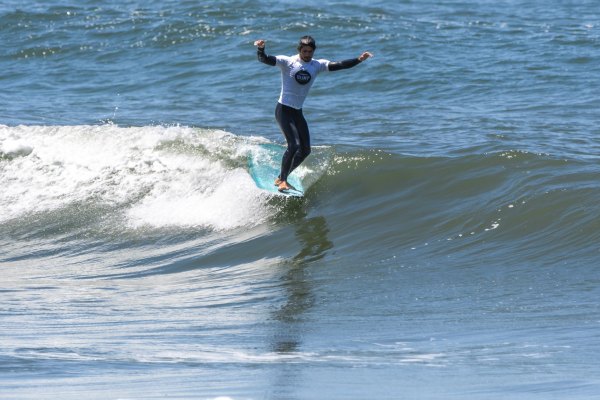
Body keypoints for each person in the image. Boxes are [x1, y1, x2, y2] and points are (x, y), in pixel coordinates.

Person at [254, 36, 372, 192]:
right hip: (283, 110)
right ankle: (282, 181)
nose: (307, 54)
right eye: (304, 51)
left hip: (297, 112)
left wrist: (358, 59)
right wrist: (261, 49)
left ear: (313, 51)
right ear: (299, 50)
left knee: (305, 150)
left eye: (310, 51)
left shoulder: (317, 65)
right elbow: (265, 59)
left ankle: (282, 176)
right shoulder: (288, 62)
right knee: (294, 145)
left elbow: (340, 65)